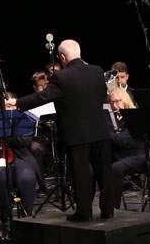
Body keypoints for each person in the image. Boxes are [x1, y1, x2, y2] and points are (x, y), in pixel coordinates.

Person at [7, 39, 114, 221]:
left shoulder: (62, 77)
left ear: (62, 57)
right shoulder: (97, 71)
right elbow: (102, 94)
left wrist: (17, 102)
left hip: (76, 134)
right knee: (104, 172)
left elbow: (44, 96)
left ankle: (84, 213)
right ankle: (108, 210)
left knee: (80, 175)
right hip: (100, 131)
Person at [0, 92, 39, 231]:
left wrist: (7, 133)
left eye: (14, 106)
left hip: (18, 157)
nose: (13, 110)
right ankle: (6, 220)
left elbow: (25, 140)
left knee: (27, 177)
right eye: (8, 106)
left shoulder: (22, 120)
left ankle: (26, 219)